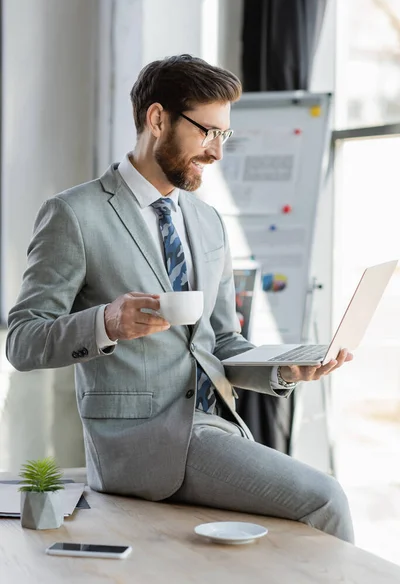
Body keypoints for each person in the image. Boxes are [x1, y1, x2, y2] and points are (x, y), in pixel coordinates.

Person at [6, 54, 354, 542]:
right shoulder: (75, 214)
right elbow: (21, 341)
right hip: (140, 442)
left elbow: (222, 341)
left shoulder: (207, 220)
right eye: (206, 132)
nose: (216, 152)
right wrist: (107, 322)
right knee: (326, 498)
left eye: (223, 135)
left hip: (212, 428)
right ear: (157, 119)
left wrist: (281, 368)